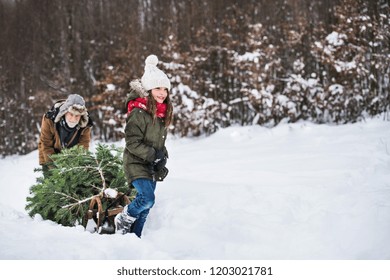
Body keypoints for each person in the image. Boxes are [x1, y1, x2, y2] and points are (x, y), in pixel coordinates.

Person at [115, 54, 173, 237]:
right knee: (147, 199)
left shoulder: (161, 114)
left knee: (146, 209)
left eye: (165, 88)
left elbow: (159, 142)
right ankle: (124, 218)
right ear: (148, 89)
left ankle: (134, 239)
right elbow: (132, 142)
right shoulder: (138, 113)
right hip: (135, 162)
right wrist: (152, 155)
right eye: (157, 88)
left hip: (151, 165)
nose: (162, 92)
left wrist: (162, 158)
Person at [38, 93, 93, 175]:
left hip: (71, 156)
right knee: (53, 182)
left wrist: (76, 167)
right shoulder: (49, 119)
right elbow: (46, 145)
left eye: (77, 116)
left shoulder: (85, 125)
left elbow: (83, 147)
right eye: (71, 114)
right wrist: (56, 169)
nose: (73, 119)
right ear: (65, 112)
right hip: (49, 154)